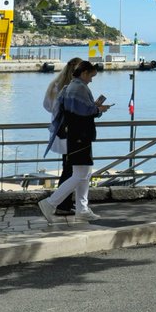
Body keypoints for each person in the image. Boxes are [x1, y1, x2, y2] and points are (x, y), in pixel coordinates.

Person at [38, 60, 111, 221]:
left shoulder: (69, 87)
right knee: (80, 174)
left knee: (84, 173)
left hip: (75, 135)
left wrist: (95, 108)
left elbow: (76, 109)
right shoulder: (79, 88)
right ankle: (51, 203)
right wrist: (99, 109)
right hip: (80, 136)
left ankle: (82, 209)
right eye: (91, 76)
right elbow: (85, 111)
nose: (91, 79)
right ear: (84, 72)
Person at [42, 57, 82, 215]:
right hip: (71, 132)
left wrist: (56, 113)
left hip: (59, 131)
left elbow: (46, 105)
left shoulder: (54, 85)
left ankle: (65, 203)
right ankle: (60, 204)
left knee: (68, 168)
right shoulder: (72, 88)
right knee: (71, 170)